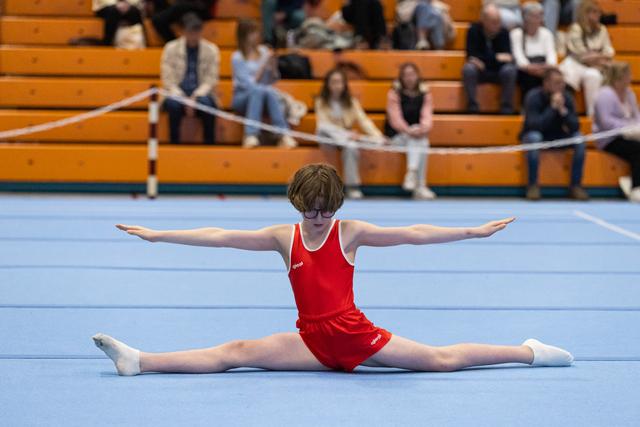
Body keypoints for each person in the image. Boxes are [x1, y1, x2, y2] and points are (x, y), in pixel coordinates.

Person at [94, 163, 574, 376]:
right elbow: (221, 237)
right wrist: (160, 235)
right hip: (311, 340)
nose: (319, 219)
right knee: (234, 351)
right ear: (298, 205)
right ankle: (139, 361)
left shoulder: (350, 232)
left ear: (336, 206)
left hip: (352, 334)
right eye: (311, 211)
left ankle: (527, 351)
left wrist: (470, 232)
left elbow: (413, 231)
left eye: (326, 210)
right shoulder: (286, 237)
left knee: (442, 361)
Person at [520, 68, 589, 201]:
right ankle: (532, 185)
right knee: (535, 138)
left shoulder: (567, 97)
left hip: (559, 136)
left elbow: (575, 126)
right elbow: (535, 125)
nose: (561, 86)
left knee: (579, 139)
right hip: (537, 135)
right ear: (546, 83)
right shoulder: (533, 97)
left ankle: (576, 186)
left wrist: (563, 111)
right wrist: (552, 108)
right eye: (557, 82)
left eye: (562, 82)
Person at [315, 69, 384, 199]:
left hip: (346, 140)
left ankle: (352, 186)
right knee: (322, 128)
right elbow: (323, 125)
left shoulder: (352, 102)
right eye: (333, 82)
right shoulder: (321, 101)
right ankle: (350, 138)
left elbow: (364, 121)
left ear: (344, 84)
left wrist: (377, 135)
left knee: (352, 146)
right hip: (328, 138)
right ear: (328, 84)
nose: (336, 85)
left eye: (339, 82)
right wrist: (346, 134)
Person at [231, 19, 297, 148]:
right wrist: (263, 66)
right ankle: (251, 134)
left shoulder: (264, 51)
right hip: (242, 96)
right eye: (253, 33)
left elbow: (273, 80)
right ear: (244, 35)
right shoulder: (237, 57)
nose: (257, 36)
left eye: (257, 32)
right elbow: (249, 85)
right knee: (259, 90)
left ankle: (283, 135)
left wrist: (272, 67)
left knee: (266, 90)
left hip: (265, 94)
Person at [161, 13, 219, 145]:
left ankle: (209, 144)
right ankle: (174, 143)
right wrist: (183, 98)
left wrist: (195, 97)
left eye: (197, 31)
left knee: (206, 104)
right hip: (176, 93)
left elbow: (211, 80)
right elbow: (168, 80)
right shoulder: (170, 48)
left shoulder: (211, 50)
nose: (194, 35)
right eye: (190, 31)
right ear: (183, 31)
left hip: (201, 93)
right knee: (173, 104)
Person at [385, 63, 436, 200]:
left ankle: (412, 175)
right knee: (420, 141)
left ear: (417, 76)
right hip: (397, 137)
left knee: (422, 141)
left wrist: (422, 128)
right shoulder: (394, 93)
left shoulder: (425, 93)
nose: (409, 78)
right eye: (406, 75)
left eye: (412, 74)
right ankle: (420, 186)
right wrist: (409, 130)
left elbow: (427, 116)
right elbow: (395, 119)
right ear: (401, 77)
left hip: (416, 135)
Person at [593, 62, 640, 202]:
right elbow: (605, 122)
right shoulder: (604, 95)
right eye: (628, 74)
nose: (631, 77)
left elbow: (636, 115)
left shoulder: (629, 93)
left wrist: (637, 128)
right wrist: (627, 128)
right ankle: (636, 187)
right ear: (620, 77)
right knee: (638, 150)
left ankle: (630, 179)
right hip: (609, 138)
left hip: (630, 134)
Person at [558, 0, 613, 116]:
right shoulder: (575, 28)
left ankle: (592, 116)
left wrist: (594, 55)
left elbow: (609, 52)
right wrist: (599, 55)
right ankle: (567, 113)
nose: (598, 15)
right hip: (576, 63)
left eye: (598, 12)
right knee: (566, 74)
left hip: (594, 66)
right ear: (585, 13)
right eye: (594, 12)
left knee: (594, 76)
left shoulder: (602, 29)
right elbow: (580, 54)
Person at [462, 3, 517, 114]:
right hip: (480, 72)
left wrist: (485, 60)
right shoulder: (473, 30)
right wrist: (496, 58)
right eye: (493, 22)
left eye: (498, 21)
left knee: (510, 70)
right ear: (483, 20)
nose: (497, 25)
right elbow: (472, 55)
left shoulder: (504, 32)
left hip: (498, 71)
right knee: (468, 69)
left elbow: (508, 58)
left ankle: (506, 107)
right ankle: (472, 106)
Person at [510, 1, 558, 98]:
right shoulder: (516, 34)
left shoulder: (546, 33)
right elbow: (518, 57)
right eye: (533, 16)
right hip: (526, 70)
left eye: (539, 16)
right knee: (528, 78)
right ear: (525, 18)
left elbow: (551, 55)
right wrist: (531, 68)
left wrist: (546, 67)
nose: (537, 20)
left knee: (554, 77)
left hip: (544, 68)